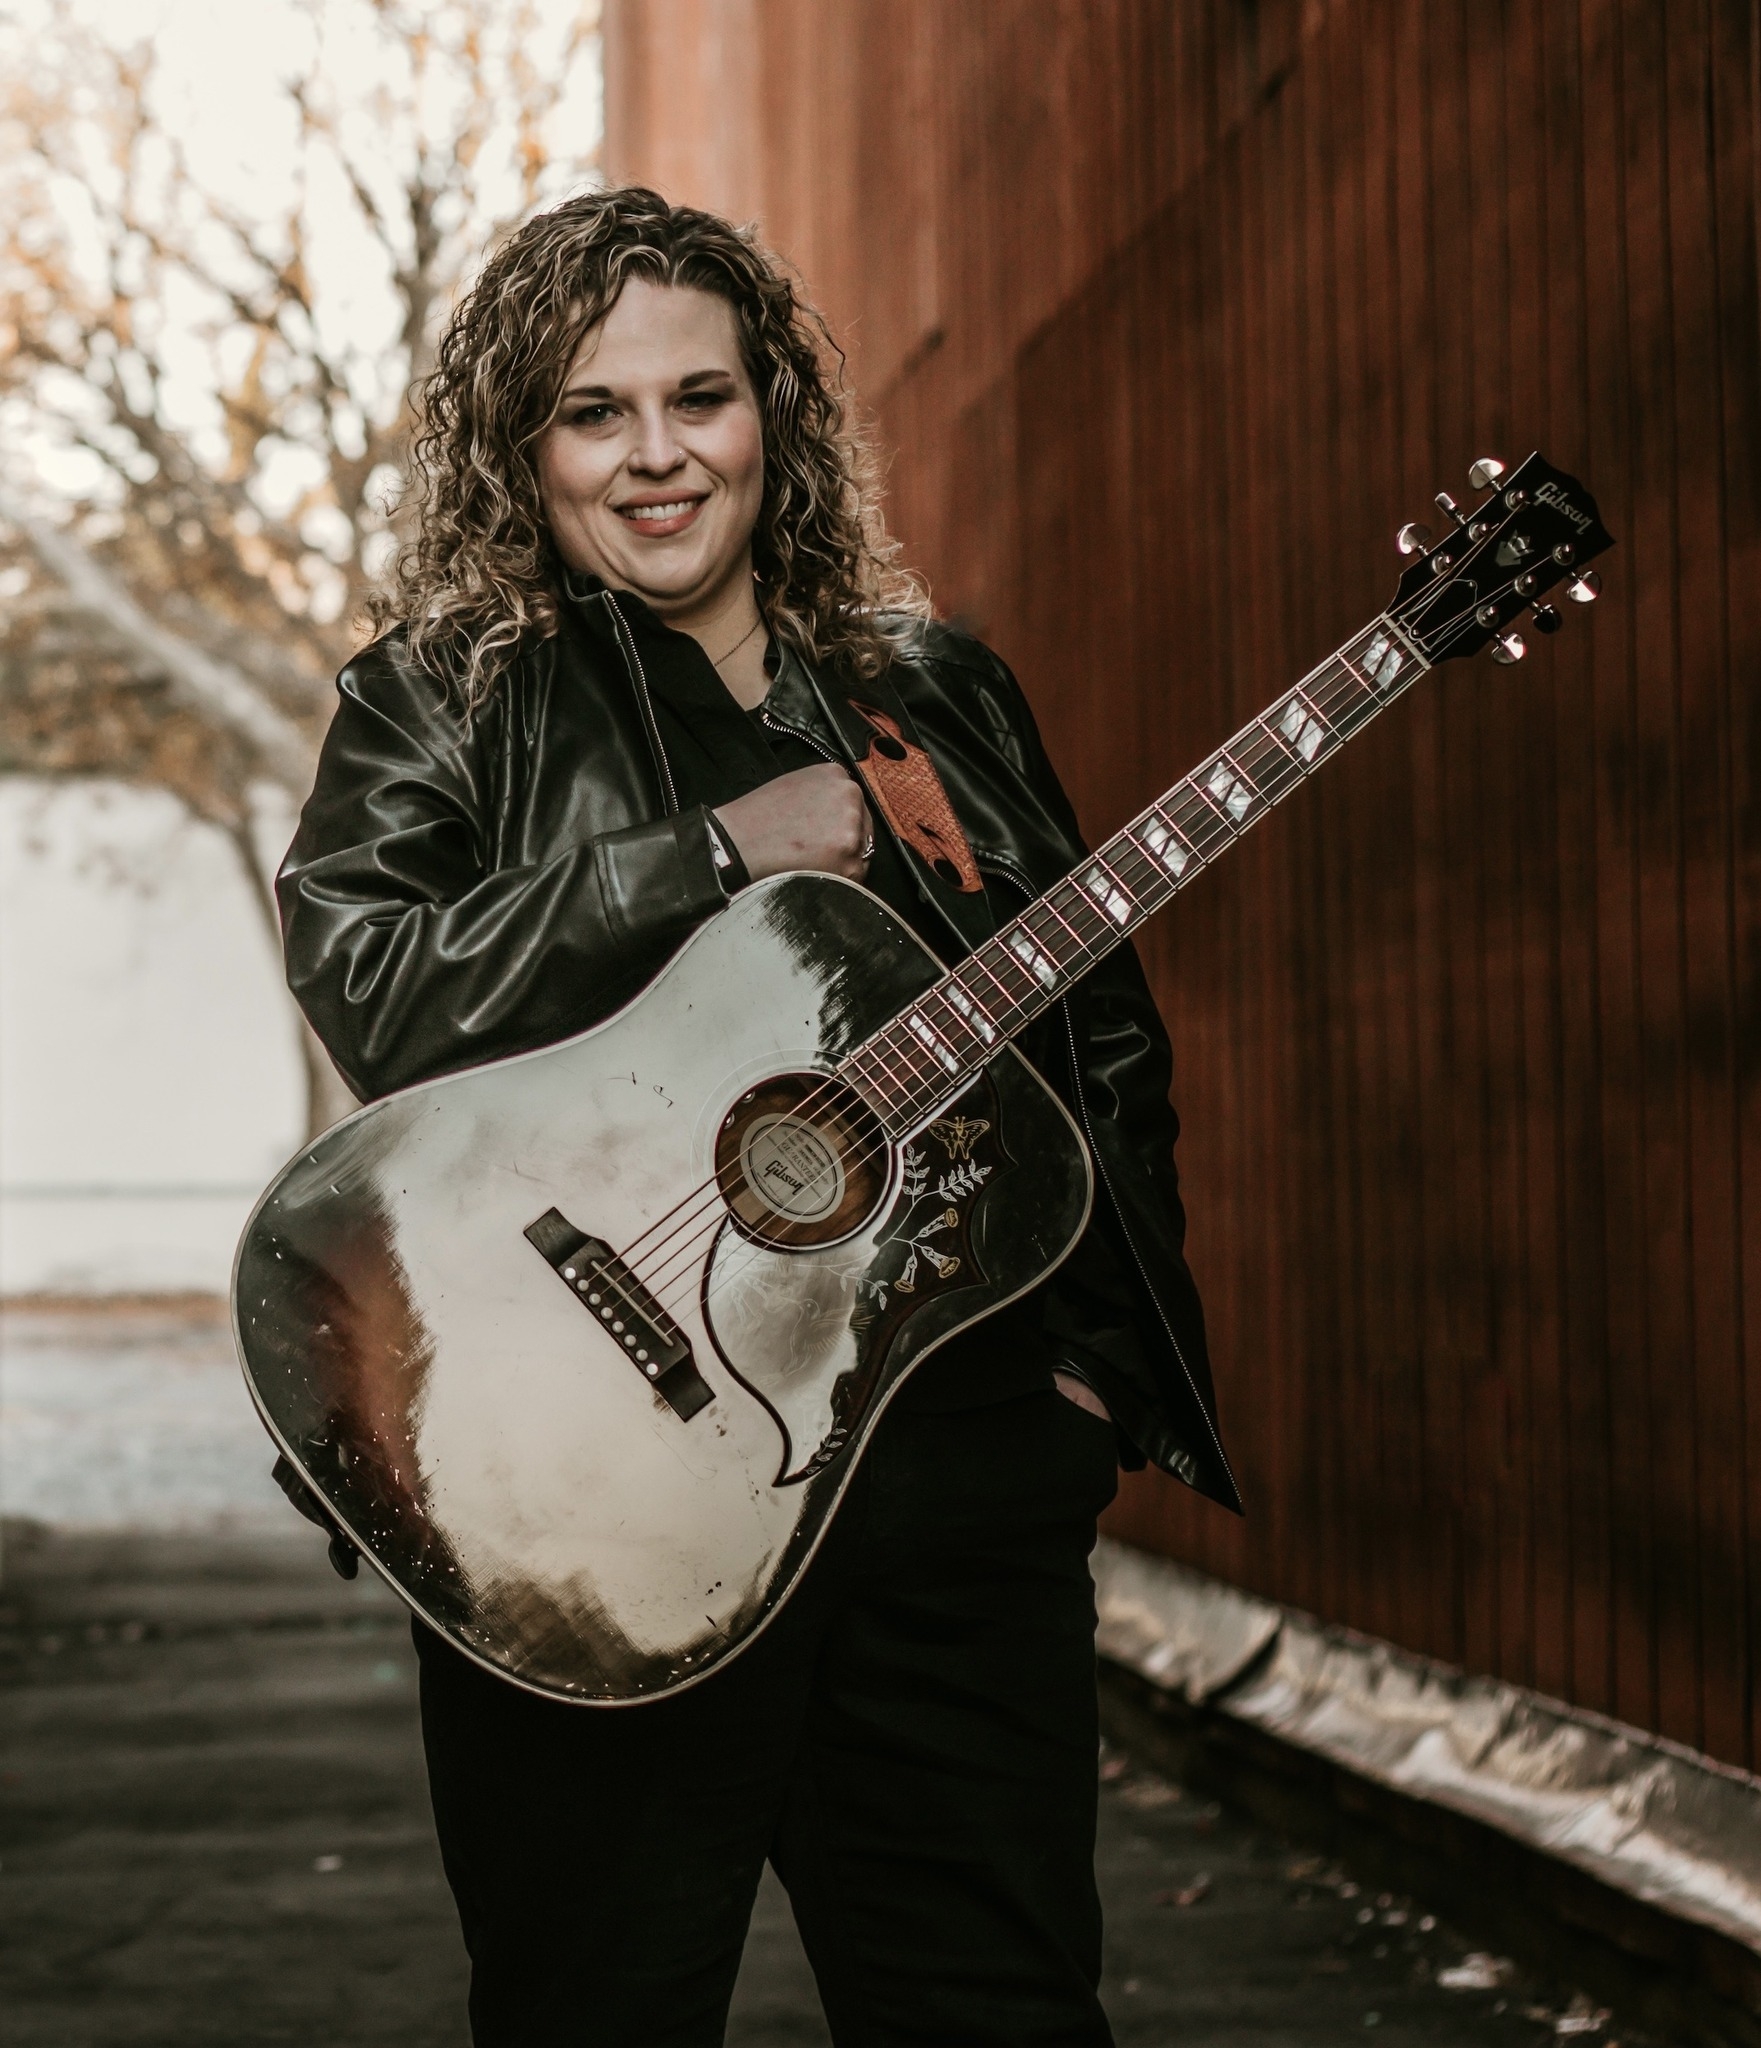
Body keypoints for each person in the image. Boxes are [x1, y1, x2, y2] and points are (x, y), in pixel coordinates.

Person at [275, 187, 1238, 2048]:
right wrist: (706, 853)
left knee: (999, 2012)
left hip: (950, 1470)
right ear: (524, 449)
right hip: (593, 1488)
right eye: (594, 412)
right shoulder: (446, 701)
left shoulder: (933, 692)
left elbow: (1096, 1030)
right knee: (597, 2008)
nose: (656, 456)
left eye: (698, 398)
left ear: (770, 415)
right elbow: (375, 982)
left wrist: (1088, 1378)